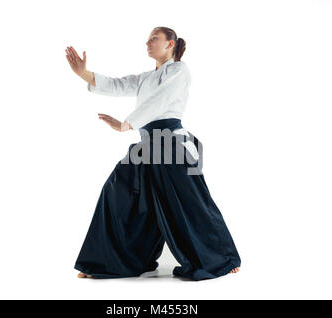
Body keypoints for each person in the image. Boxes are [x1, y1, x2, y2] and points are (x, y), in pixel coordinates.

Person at [65, 27, 241, 280]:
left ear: (170, 43)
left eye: (153, 39)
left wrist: (127, 124)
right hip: (147, 145)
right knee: (120, 193)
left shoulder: (180, 71)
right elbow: (118, 84)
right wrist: (84, 74)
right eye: (147, 39)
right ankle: (118, 260)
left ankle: (223, 259)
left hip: (170, 145)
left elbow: (161, 99)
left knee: (192, 202)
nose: (147, 43)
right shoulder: (147, 77)